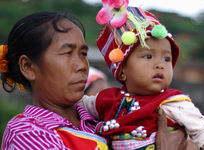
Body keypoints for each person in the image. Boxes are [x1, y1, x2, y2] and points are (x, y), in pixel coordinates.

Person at [0, 11, 188, 150]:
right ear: (28, 67)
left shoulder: (101, 117)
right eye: (67, 52)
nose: (82, 65)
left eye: (83, 54)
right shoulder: (27, 133)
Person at [77, 1, 204, 150]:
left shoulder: (173, 103)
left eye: (166, 59)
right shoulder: (107, 99)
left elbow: (203, 129)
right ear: (122, 71)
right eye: (148, 57)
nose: (160, 64)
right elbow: (76, 104)